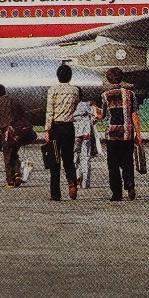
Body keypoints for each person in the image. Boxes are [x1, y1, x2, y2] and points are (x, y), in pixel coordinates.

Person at [101, 67, 142, 202]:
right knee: (127, 162)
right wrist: (138, 135)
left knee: (112, 165)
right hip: (127, 133)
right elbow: (134, 115)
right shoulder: (131, 94)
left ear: (108, 79)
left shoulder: (105, 95)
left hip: (112, 134)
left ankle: (116, 193)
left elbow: (103, 115)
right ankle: (130, 184)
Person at [45, 65, 81, 200]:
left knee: (54, 161)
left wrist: (47, 129)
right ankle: (72, 182)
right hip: (69, 126)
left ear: (57, 76)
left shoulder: (52, 90)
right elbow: (75, 106)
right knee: (68, 158)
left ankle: (55, 194)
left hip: (56, 126)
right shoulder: (75, 90)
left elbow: (49, 111)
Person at [0, 84, 32, 188]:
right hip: (17, 132)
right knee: (14, 153)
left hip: (6, 133)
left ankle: (10, 180)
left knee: (7, 156)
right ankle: (17, 173)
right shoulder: (15, 100)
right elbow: (23, 114)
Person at [73, 98, 100, 189]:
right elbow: (95, 119)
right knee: (86, 156)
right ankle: (85, 182)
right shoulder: (88, 105)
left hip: (74, 131)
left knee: (75, 155)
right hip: (86, 132)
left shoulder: (72, 104)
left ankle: (75, 178)